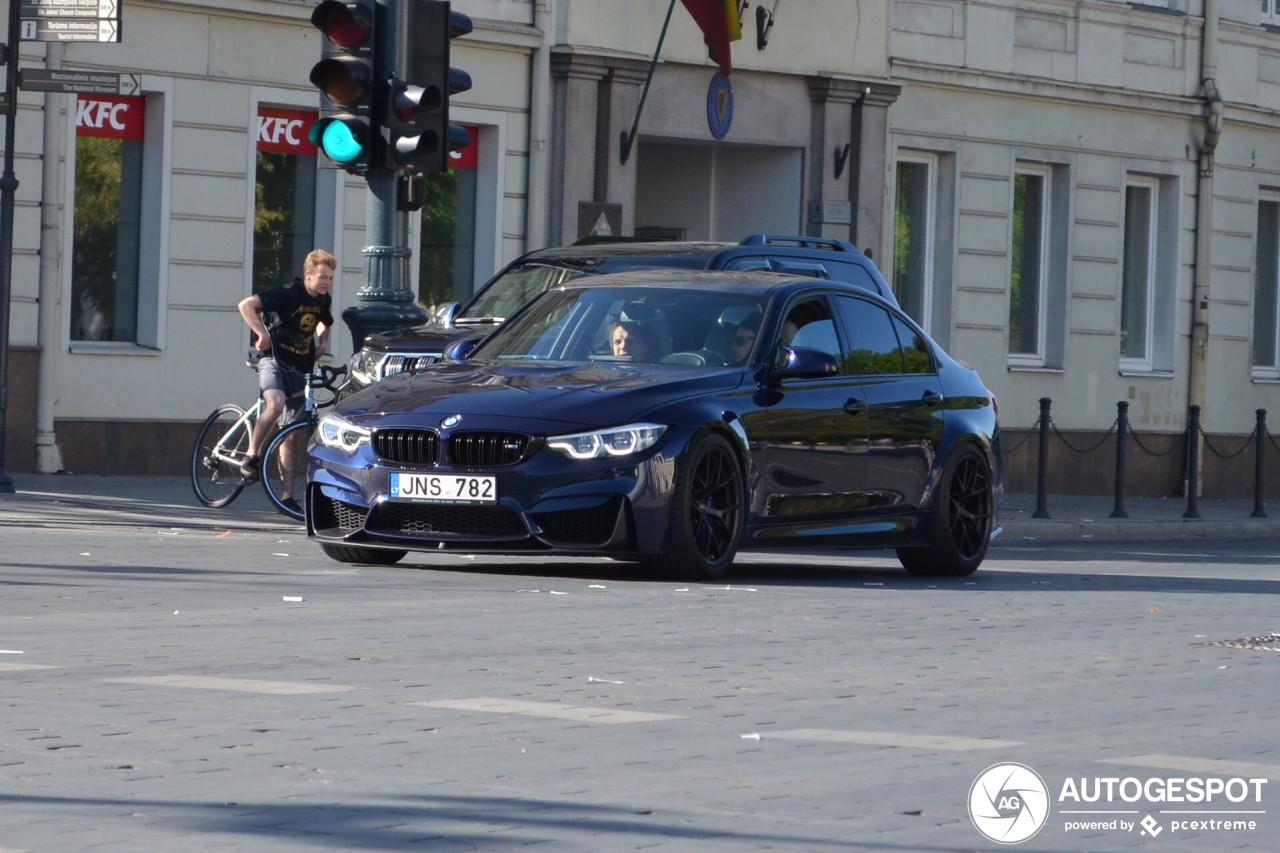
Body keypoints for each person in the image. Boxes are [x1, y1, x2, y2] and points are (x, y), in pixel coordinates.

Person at [236, 249, 335, 513]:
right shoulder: (289, 292)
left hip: (298, 366)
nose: (327, 282)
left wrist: (323, 343)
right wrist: (261, 334)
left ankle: (286, 497)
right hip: (273, 360)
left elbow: (325, 322)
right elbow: (246, 305)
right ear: (308, 276)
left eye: (330, 278)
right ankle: (252, 455)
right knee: (276, 404)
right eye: (322, 277)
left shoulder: (323, 300)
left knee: (291, 435)